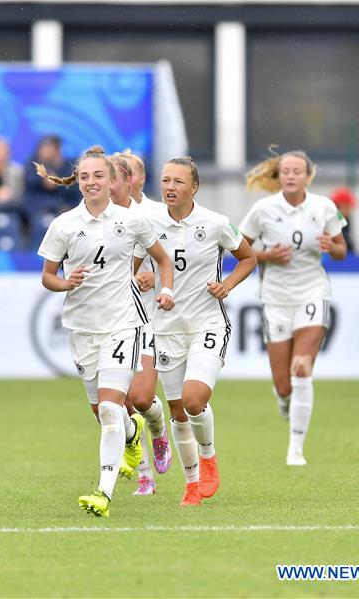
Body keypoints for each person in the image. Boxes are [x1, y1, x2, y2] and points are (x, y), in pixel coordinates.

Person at [36, 146, 175, 517]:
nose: (92, 182)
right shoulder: (63, 225)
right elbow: (48, 276)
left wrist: (164, 288)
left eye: (99, 176)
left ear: (112, 180)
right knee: (104, 414)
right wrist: (66, 284)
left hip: (123, 324)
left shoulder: (131, 221)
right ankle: (133, 434)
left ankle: (104, 492)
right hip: (82, 328)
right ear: (77, 181)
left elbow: (162, 258)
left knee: (113, 409)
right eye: (85, 177)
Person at [133, 156, 256, 506]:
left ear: (194, 187)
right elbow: (135, 267)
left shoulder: (216, 223)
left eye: (178, 182)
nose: (170, 187)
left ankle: (209, 456)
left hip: (207, 323)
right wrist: (141, 277)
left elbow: (248, 258)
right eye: (166, 180)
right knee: (177, 413)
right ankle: (191, 485)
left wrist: (227, 284)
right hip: (166, 328)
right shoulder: (148, 223)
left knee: (193, 399)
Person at [241, 150, 347, 466]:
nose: (290, 176)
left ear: (307, 176)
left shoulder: (324, 207)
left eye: (296, 171)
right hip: (275, 298)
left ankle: (296, 449)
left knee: (302, 365)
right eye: (285, 171)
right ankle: (286, 400)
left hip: (313, 293)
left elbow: (341, 250)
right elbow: (240, 249)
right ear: (278, 175)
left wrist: (333, 247)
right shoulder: (263, 210)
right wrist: (267, 255)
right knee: (284, 384)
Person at [106, 151, 173, 497]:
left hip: (151, 318)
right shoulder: (98, 217)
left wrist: (158, 283)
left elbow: (175, 261)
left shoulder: (157, 215)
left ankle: (159, 428)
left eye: (126, 173)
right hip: (113, 321)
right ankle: (144, 472)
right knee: (119, 404)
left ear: (138, 179)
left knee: (142, 398)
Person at [329, 186, 357, 254]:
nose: (350, 210)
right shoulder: (331, 223)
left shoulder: (344, 220)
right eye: (348, 207)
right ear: (339, 206)